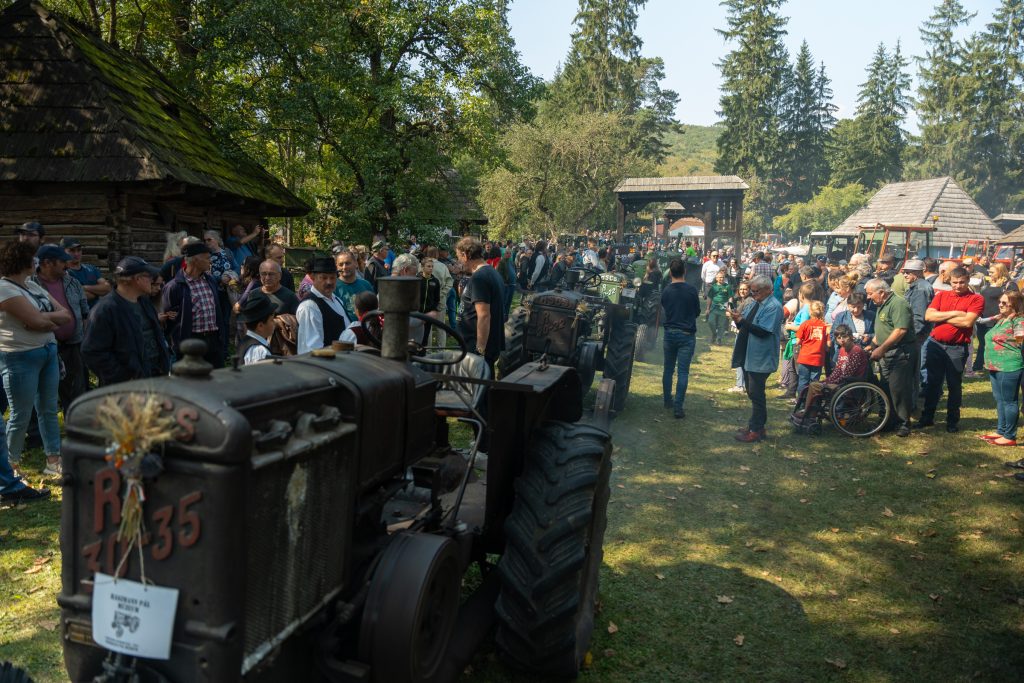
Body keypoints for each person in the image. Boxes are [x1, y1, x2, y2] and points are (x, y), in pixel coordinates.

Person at [0, 240, 73, 477]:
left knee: (49, 409)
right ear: (23, 261)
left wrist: (40, 320)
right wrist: (42, 321)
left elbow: (66, 315)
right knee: (20, 414)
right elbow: (39, 321)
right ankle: (10, 465)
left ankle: (53, 460)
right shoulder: (4, 289)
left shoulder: (33, 286)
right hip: (20, 356)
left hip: (47, 352)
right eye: (34, 259)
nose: (37, 263)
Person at [82, 256, 171, 386]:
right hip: (126, 389)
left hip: (154, 379)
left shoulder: (144, 302)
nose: (153, 280)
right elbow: (92, 352)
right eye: (149, 276)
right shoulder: (105, 310)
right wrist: (124, 378)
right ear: (136, 279)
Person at [921, 267, 984, 432]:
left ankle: (952, 422)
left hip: (957, 347)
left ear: (968, 280)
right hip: (936, 345)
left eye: (962, 282)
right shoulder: (942, 295)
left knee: (954, 385)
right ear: (950, 281)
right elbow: (928, 316)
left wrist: (942, 315)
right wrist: (957, 313)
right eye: (955, 282)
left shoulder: (976, 299)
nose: (958, 286)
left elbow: (967, 323)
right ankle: (927, 418)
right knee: (932, 383)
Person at [30, 244, 89, 413]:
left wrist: (83, 337)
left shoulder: (72, 281)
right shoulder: (30, 285)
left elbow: (85, 311)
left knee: (76, 390)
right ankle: (36, 436)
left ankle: (77, 430)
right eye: (63, 261)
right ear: (48, 263)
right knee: (43, 394)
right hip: (44, 347)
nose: (67, 264)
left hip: (73, 346)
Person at [729, 275, 783, 442]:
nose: (753, 294)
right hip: (749, 355)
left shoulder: (773, 306)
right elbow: (745, 324)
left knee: (756, 394)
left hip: (761, 357)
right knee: (753, 393)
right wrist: (737, 319)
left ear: (768, 290)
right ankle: (756, 425)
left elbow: (763, 331)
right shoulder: (756, 303)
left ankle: (756, 429)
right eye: (752, 291)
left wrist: (742, 321)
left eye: (756, 291)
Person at [162, 242, 229, 368]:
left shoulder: (210, 281)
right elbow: (169, 322)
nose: (211, 262)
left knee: (217, 379)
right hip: (190, 344)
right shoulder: (174, 287)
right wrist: (178, 345)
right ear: (196, 260)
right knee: (193, 382)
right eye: (208, 258)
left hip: (213, 341)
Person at [865, 279, 918, 437]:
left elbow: (900, 330)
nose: (868, 297)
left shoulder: (898, 304)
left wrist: (881, 348)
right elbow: (884, 330)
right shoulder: (882, 304)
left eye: (870, 294)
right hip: (887, 353)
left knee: (899, 389)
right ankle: (889, 420)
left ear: (881, 292)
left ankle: (904, 423)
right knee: (886, 387)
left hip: (900, 353)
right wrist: (872, 346)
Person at [793, 323, 869, 421]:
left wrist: (828, 383)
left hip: (850, 384)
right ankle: (808, 412)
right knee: (814, 385)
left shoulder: (856, 351)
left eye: (844, 337)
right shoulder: (842, 350)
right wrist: (827, 380)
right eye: (838, 338)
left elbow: (848, 374)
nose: (841, 340)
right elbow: (837, 371)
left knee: (815, 386)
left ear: (850, 336)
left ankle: (809, 413)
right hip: (843, 381)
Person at [977, 291, 1024, 446]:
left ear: (1015, 305)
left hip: (1009, 366)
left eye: (1005, 303)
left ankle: (1010, 436)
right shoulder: (1002, 319)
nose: (1000, 305)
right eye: (1000, 302)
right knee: (1000, 400)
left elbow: (1021, 341)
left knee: (1009, 401)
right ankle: (1001, 430)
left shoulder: (1018, 320)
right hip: (994, 366)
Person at [456, 236, 506, 370]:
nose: (459, 261)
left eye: (459, 257)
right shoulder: (490, 272)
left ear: (465, 255)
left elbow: (484, 316)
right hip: (476, 344)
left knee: (477, 388)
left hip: (477, 348)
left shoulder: (480, 278)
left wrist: (480, 350)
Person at [661, 259, 700, 418]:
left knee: (668, 369)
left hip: (670, 333)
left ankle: (667, 401)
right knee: (683, 372)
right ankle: (678, 407)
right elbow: (697, 311)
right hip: (686, 334)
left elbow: (664, 309)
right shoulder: (691, 290)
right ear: (684, 271)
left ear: (670, 273)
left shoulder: (666, 291)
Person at [296, 256, 351, 354]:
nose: (329, 282)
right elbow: (311, 350)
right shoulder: (309, 307)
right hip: (324, 366)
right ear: (314, 278)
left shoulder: (337, 300)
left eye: (332, 278)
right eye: (324, 277)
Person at [973, 263, 1017, 373]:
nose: (989, 273)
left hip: (999, 319)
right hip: (983, 319)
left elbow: (1015, 301)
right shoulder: (988, 283)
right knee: (982, 343)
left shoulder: (1009, 285)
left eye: (992, 272)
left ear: (1000, 272)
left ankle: (989, 365)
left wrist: (1005, 316)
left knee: (995, 344)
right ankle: (979, 365)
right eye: (989, 271)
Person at [61, 237, 110, 309]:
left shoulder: (91, 269)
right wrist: (97, 292)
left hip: (96, 315)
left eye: (79, 250)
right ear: (63, 251)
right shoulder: (63, 272)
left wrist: (83, 287)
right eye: (72, 250)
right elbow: (76, 297)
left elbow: (107, 287)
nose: (76, 254)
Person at [795, 300, 827, 401]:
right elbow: (828, 344)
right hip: (818, 358)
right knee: (815, 382)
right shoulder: (825, 326)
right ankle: (812, 402)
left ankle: (801, 401)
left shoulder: (805, 324)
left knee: (803, 381)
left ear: (810, 312)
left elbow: (798, 341)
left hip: (805, 357)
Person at [726, 282, 754, 393]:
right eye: (741, 289)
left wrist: (733, 314)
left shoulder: (749, 301)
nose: (742, 291)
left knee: (739, 358)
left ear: (749, 290)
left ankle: (740, 385)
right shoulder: (741, 300)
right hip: (740, 330)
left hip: (743, 332)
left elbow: (744, 317)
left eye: (745, 289)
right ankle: (742, 384)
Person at [236, 292, 277, 365]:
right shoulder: (260, 351)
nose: (274, 323)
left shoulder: (244, 342)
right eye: (271, 320)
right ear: (260, 326)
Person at [333, 250, 374, 322]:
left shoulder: (366, 285)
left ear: (356, 264)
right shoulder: (332, 287)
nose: (344, 267)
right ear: (336, 267)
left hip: (365, 329)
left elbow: (373, 310)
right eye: (341, 264)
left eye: (348, 263)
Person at [705, 269, 732, 345]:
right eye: (720, 277)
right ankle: (714, 334)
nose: (721, 279)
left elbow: (730, 298)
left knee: (721, 324)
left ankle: (719, 339)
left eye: (723, 277)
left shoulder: (727, 287)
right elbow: (709, 297)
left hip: (723, 308)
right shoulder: (713, 287)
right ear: (716, 278)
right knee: (711, 322)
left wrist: (730, 308)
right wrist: (707, 308)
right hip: (714, 308)